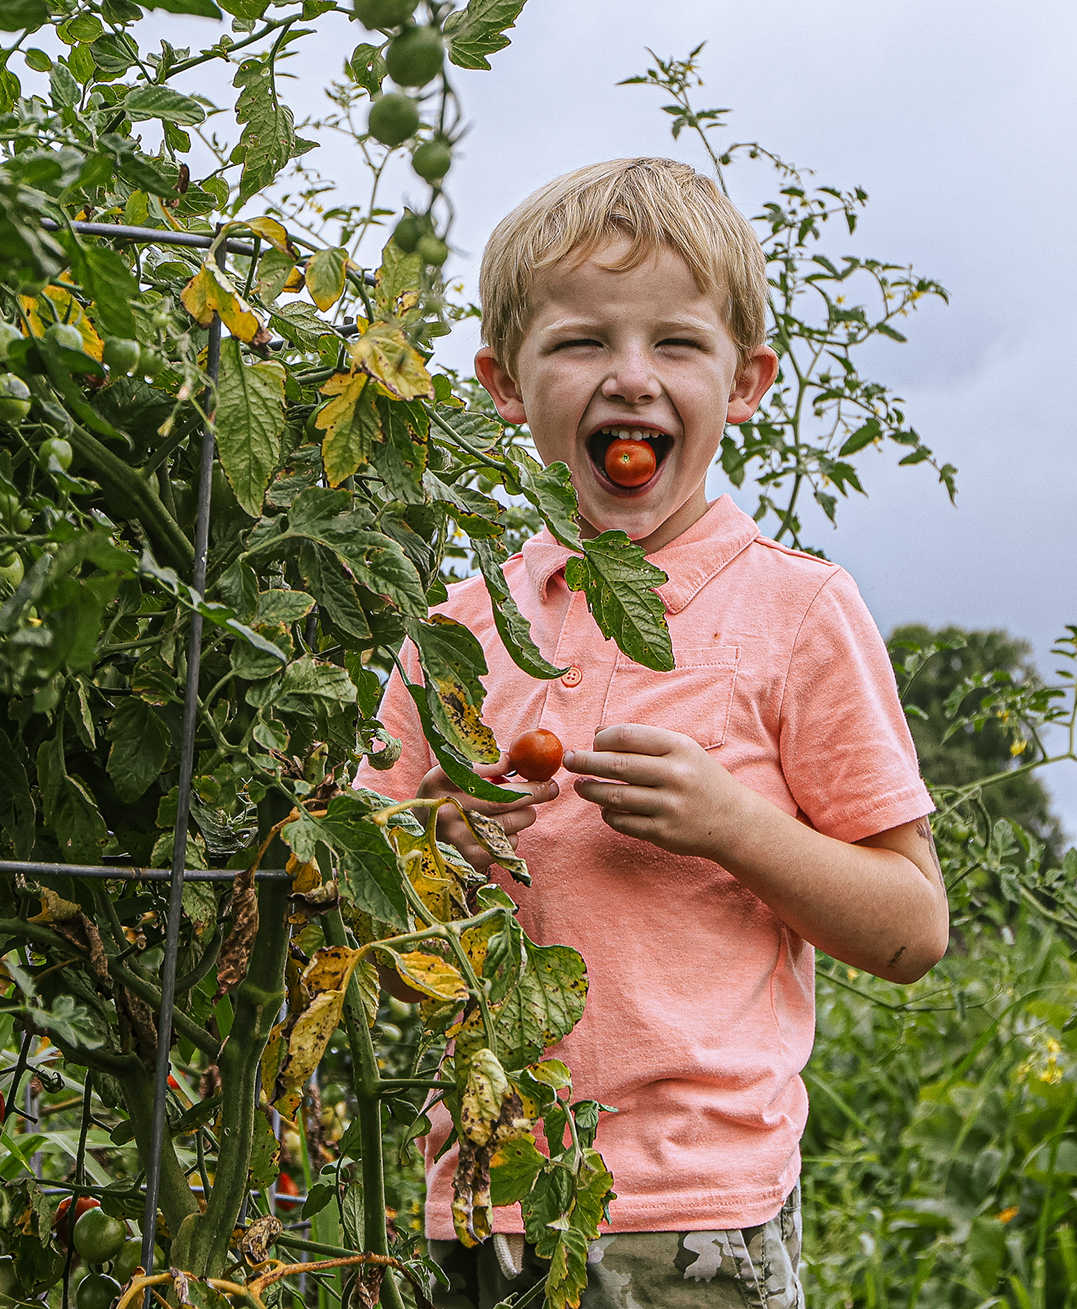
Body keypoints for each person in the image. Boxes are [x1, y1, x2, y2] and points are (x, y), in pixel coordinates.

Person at [355, 157, 949, 1309]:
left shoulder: (796, 612)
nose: (630, 378)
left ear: (747, 382)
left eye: (676, 343)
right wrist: (439, 834)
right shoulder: (459, 629)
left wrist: (732, 826)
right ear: (503, 384)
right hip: (482, 1199)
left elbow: (912, 929)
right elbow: (352, 883)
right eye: (581, 343)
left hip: (691, 1224)